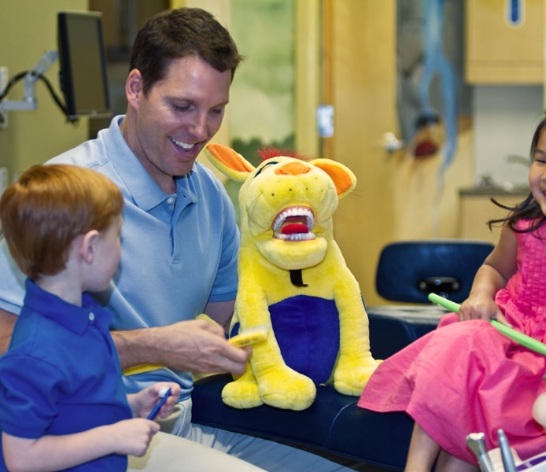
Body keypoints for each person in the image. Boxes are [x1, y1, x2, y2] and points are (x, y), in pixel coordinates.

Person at [0, 7, 351, 471]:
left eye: (216, 111)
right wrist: (154, 346)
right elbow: (10, 348)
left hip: (186, 418)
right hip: (94, 434)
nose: (201, 131)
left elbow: (219, 335)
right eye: (182, 107)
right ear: (136, 89)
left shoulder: (211, 197)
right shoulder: (67, 194)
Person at [359, 116, 546, 472]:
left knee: (464, 453)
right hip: (508, 328)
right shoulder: (524, 225)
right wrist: (481, 295)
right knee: (457, 343)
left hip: (537, 364)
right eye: (542, 160)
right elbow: (494, 269)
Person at [0, 164, 180, 471]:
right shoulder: (35, 352)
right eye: (118, 237)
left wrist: (134, 404)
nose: (120, 251)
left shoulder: (86, 318)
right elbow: (21, 457)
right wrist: (113, 437)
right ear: (90, 247)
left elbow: (79, 406)